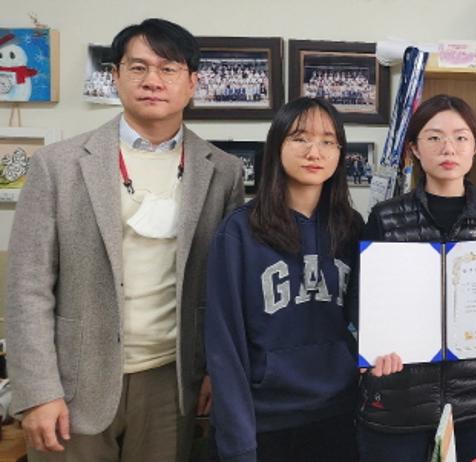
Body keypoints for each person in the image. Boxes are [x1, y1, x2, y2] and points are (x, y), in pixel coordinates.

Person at [6, 18, 244, 462]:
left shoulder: (223, 171)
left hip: (172, 380)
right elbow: (27, 287)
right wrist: (37, 390)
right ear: (115, 76)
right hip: (72, 381)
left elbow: (223, 288)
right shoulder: (57, 165)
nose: (153, 80)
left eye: (168, 69)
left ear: (193, 82)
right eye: (138, 67)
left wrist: (216, 370)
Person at [357, 94, 476, 462]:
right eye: (434, 137)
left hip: (474, 406)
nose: (449, 148)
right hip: (398, 405)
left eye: (461, 137)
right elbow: (362, 303)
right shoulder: (385, 217)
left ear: (475, 147)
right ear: (414, 148)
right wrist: (369, 353)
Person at [205, 97, 362, 462]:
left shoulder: (351, 227)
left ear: (340, 153)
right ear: (277, 146)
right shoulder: (240, 231)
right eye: (300, 138)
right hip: (265, 420)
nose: (314, 151)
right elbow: (224, 345)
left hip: (337, 414)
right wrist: (238, 444)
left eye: (328, 141)